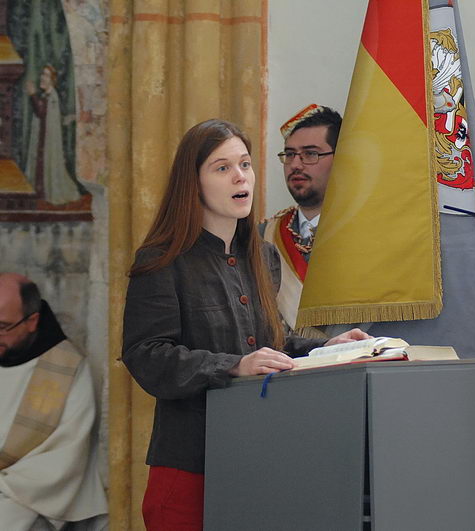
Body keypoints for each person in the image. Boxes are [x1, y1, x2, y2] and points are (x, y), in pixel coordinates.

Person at [122, 119, 368, 530]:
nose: (240, 177)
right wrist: (232, 365)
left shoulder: (263, 256)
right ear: (193, 183)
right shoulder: (162, 260)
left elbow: (272, 342)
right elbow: (146, 355)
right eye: (222, 168)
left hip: (258, 460)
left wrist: (327, 348)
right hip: (190, 467)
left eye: (245, 164)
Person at [0, 273, 107, 530]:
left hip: (26, 498)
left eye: (2, 326)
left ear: (32, 321)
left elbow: (65, 455)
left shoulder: (66, 368)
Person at [261, 104, 342, 335]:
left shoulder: (365, 235)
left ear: (341, 158)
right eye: (289, 154)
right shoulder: (263, 235)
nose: (295, 165)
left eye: (310, 154)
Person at [24, 64, 84, 205]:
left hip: (47, 141)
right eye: (42, 74)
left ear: (52, 80)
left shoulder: (52, 96)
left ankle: (46, 192)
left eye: (46, 75)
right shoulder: (46, 95)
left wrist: (32, 94)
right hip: (42, 138)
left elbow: (41, 112)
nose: (42, 78)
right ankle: (40, 192)